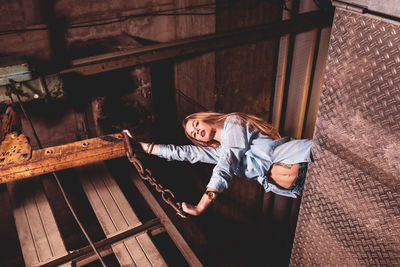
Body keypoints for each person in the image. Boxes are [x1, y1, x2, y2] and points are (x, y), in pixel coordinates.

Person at [132, 112, 313, 217]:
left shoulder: (233, 123)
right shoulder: (217, 152)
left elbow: (225, 166)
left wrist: (201, 205)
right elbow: (183, 153)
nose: (196, 132)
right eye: (193, 134)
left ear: (205, 118)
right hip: (298, 189)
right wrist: (143, 147)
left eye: (195, 124)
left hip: (307, 159)